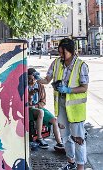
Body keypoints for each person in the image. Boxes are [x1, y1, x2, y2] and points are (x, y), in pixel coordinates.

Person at [38, 38, 89, 170]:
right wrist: (37, 78)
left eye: (63, 53)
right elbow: (47, 79)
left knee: (78, 138)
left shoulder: (81, 65)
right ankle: (70, 163)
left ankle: (80, 167)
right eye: (59, 52)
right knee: (65, 137)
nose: (60, 55)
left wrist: (69, 90)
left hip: (75, 109)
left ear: (71, 51)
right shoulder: (56, 63)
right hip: (61, 104)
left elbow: (84, 87)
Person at [28, 68, 65, 151]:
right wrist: (29, 96)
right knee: (40, 112)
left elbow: (43, 102)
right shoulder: (24, 87)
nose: (31, 81)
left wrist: (36, 105)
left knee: (54, 120)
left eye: (33, 79)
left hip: (37, 107)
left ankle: (59, 143)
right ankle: (39, 138)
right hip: (28, 109)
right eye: (29, 79)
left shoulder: (40, 86)